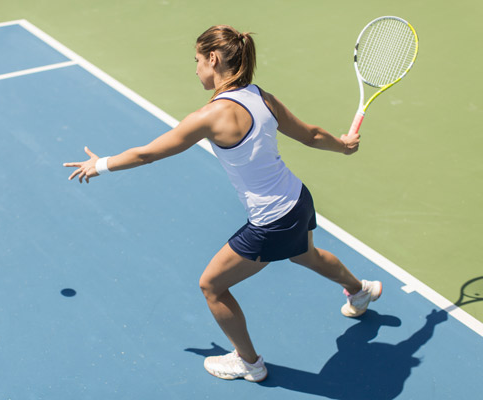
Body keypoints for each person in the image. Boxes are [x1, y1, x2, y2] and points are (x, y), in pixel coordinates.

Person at [63, 25, 382, 383]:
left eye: (197, 60)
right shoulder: (262, 97)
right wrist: (343, 145)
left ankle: (249, 362)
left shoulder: (209, 116)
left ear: (213, 60)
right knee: (305, 254)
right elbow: (311, 135)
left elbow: (148, 153)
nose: (195, 68)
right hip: (297, 200)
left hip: (271, 220)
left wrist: (101, 164)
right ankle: (360, 290)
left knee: (212, 286)